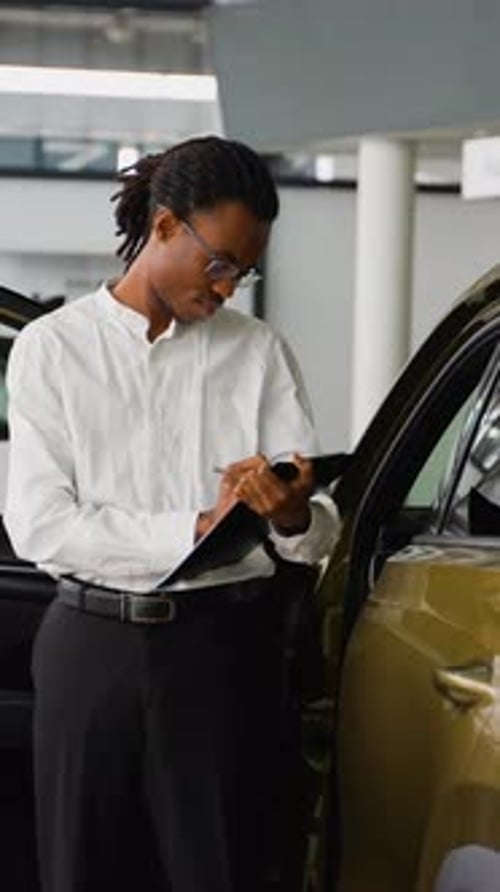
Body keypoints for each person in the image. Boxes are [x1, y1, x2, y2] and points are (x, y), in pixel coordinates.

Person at [5, 136, 339, 892]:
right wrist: (194, 528)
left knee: (222, 871)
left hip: (222, 651)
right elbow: (41, 525)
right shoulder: (53, 350)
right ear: (163, 227)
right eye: (219, 263)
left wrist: (290, 515)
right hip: (89, 652)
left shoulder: (258, 352)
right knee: (82, 872)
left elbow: (314, 532)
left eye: (243, 273)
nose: (228, 288)